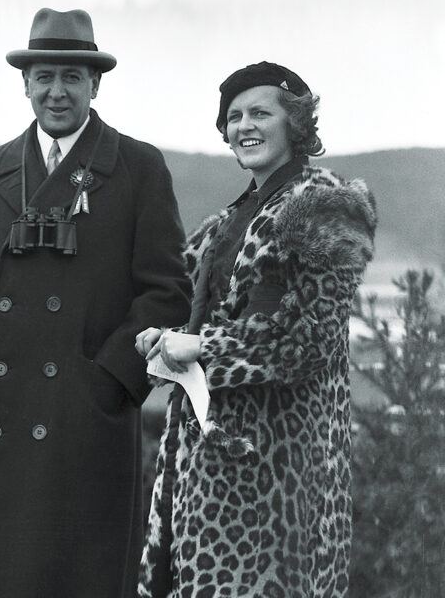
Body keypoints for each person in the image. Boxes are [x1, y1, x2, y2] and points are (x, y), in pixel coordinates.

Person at [0, 8, 192, 598]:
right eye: (44, 76)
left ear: (95, 85)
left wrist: (107, 382)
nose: (56, 91)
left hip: (81, 424)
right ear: (25, 84)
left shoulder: (138, 167)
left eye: (71, 77)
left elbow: (167, 290)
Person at [136, 62, 377, 597]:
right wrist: (163, 340)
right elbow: (202, 320)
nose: (243, 125)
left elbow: (307, 342)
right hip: (205, 473)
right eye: (234, 116)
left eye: (260, 112)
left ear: (295, 123)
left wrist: (200, 346)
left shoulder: (327, 206)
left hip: (281, 479)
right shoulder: (225, 223)